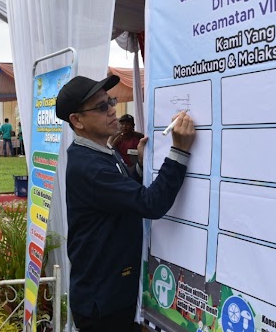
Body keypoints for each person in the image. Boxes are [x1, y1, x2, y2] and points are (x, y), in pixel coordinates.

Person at [55, 75, 195, 332]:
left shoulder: (100, 151)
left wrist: (139, 166)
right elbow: (151, 204)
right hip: (103, 302)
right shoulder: (91, 167)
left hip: (109, 290)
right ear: (77, 121)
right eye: (100, 107)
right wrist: (179, 151)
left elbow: (120, 192)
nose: (112, 110)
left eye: (110, 101)